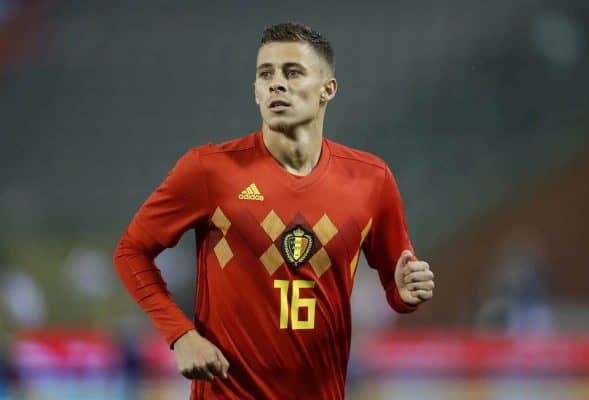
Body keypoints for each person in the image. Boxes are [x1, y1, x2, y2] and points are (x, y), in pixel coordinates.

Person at [113, 22, 434, 400]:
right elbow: (131, 252)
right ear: (255, 91)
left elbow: (397, 288)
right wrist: (181, 335)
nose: (276, 84)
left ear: (327, 89)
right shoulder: (209, 170)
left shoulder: (370, 180)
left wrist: (406, 291)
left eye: (292, 72)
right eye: (265, 74)